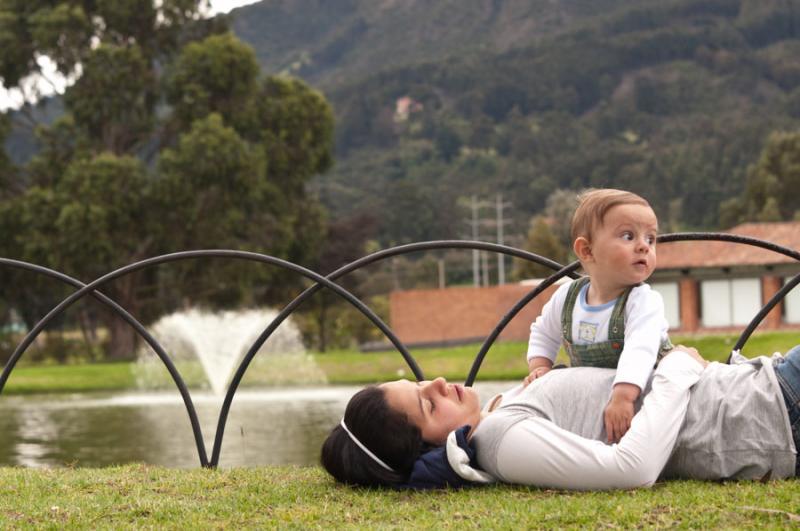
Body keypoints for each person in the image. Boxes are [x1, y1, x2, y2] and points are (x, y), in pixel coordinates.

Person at [321, 345, 799, 489]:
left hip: (763, 386)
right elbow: (630, 469)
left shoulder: (498, 416)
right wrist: (673, 371)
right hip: (771, 409)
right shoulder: (503, 441)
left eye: (420, 382)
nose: (439, 383)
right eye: (428, 404)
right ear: (428, 447)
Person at [525, 189, 672, 443]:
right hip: (597, 400)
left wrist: (624, 396)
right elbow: (543, 331)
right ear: (587, 250)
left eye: (651, 239)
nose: (643, 246)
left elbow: (640, 349)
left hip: (647, 397)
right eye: (628, 236)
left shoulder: (643, 301)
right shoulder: (567, 297)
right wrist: (540, 367)